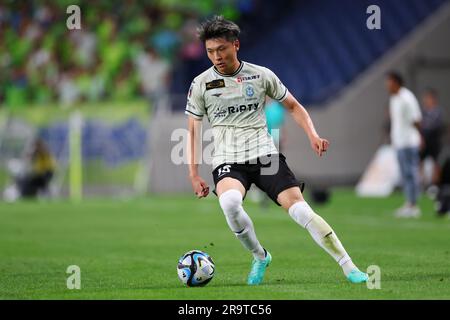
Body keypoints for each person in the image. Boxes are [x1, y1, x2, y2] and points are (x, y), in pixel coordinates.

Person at [185, 16, 368, 285]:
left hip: (264, 155)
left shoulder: (261, 75)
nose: (217, 56)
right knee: (230, 202)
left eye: (221, 49)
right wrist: (193, 174)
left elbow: (293, 106)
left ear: (235, 45)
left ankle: (349, 266)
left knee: (301, 211)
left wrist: (313, 135)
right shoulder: (201, 84)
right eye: (210, 51)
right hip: (227, 159)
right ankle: (260, 256)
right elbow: (192, 130)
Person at [385, 71, 423, 218]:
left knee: (411, 173)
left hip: (409, 142)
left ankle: (414, 205)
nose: (387, 85)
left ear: (396, 82)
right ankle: (409, 203)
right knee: (405, 175)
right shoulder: (394, 99)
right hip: (399, 143)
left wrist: (420, 137)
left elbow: (417, 120)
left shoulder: (407, 98)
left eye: (389, 81)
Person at [420, 88, 444, 187]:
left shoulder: (438, 111)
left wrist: (423, 125)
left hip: (434, 141)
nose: (426, 100)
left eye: (428, 98)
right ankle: (422, 183)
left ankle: (435, 184)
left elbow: (432, 125)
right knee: (420, 162)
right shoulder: (423, 111)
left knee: (436, 163)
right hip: (424, 140)